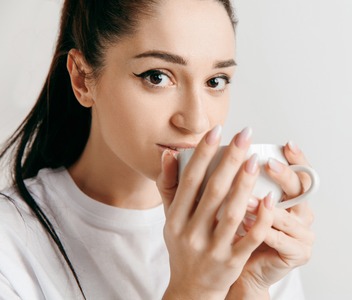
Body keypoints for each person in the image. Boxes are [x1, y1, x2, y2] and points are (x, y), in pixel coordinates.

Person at [0, 0, 315, 299]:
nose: (196, 120)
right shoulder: (11, 244)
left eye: (216, 81)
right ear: (82, 79)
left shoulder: (247, 233)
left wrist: (250, 290)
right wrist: (196, 290)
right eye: (157, 76)